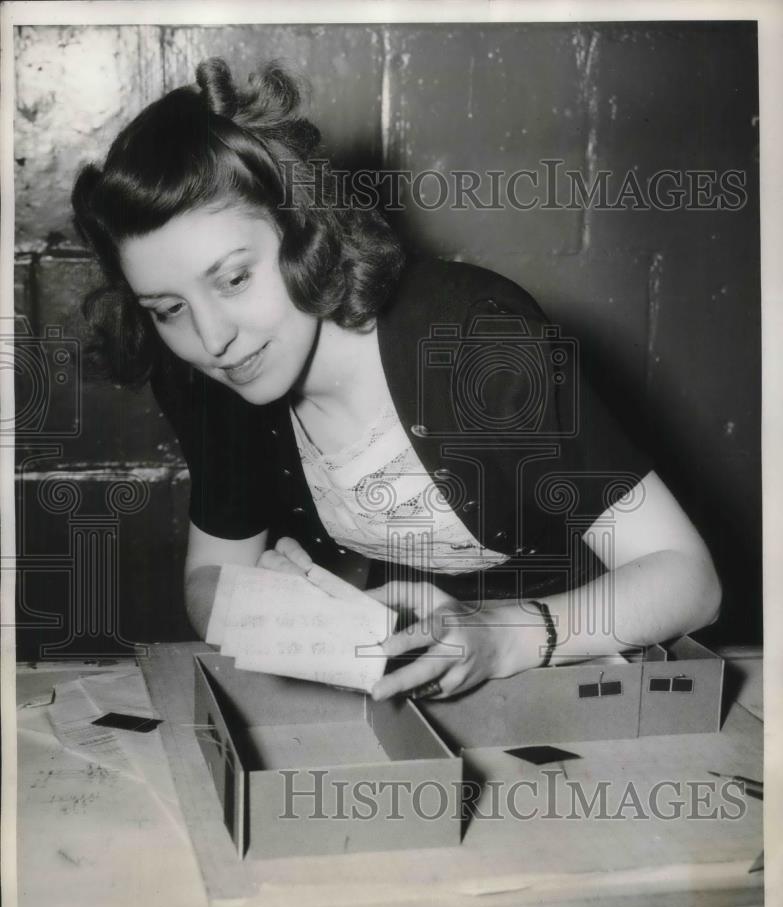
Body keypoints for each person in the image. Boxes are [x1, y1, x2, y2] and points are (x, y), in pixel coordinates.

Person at [71, 58, 721, 703]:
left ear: (306, 230)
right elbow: (214, 575)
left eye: (234, 278)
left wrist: (509, 635)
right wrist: (286, 621)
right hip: (411, 676)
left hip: (580, 658)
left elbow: (688, 581)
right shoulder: (209, 378)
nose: (212, 339)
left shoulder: (474, 340)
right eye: (168, 308)